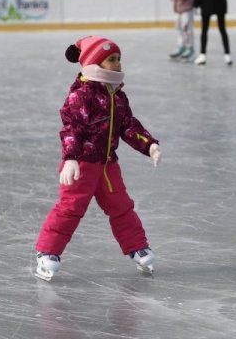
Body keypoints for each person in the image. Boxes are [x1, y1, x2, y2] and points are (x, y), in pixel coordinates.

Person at [34, 36, 162, 281]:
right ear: (95, 63)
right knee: (70, 209)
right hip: (81, 165)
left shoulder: (118, 96)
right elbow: (71, 128)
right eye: (111, 60)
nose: (118, 64)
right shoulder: (82, 95)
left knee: (121, 206)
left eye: (119, 59)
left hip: (107, 165)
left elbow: (128, 127)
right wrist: (70, 158)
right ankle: (47, 252)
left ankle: (137, 247)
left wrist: (149, 145)